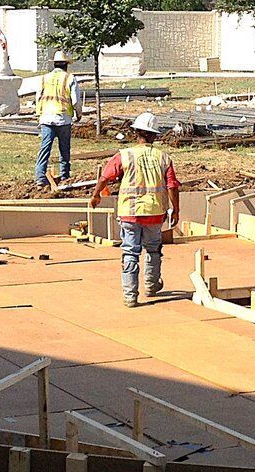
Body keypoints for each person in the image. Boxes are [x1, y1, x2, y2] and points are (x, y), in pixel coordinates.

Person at [88, 112, 181, 308]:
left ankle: (130, 296)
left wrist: (96, 195)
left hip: (129, 213)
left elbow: (105, 177)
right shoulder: (163, 157)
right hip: (154, 213)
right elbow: (172, 186)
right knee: (153, 250)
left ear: (136, 132)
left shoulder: (124, 155)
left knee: (130, 252)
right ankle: (151, 285)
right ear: (154, 136)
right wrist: (176, 210)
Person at [35, 50, 80, 189]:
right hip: (63, 119)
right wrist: (79, 114)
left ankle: (40, 178)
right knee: (64, 149)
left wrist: (39, 115)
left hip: (46, 118)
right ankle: (65, 175)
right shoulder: (69, 78)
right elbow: (76, 100)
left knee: (45, 148)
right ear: (66, 65)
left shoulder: (44, 78)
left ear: (54, 64)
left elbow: (38, 98)